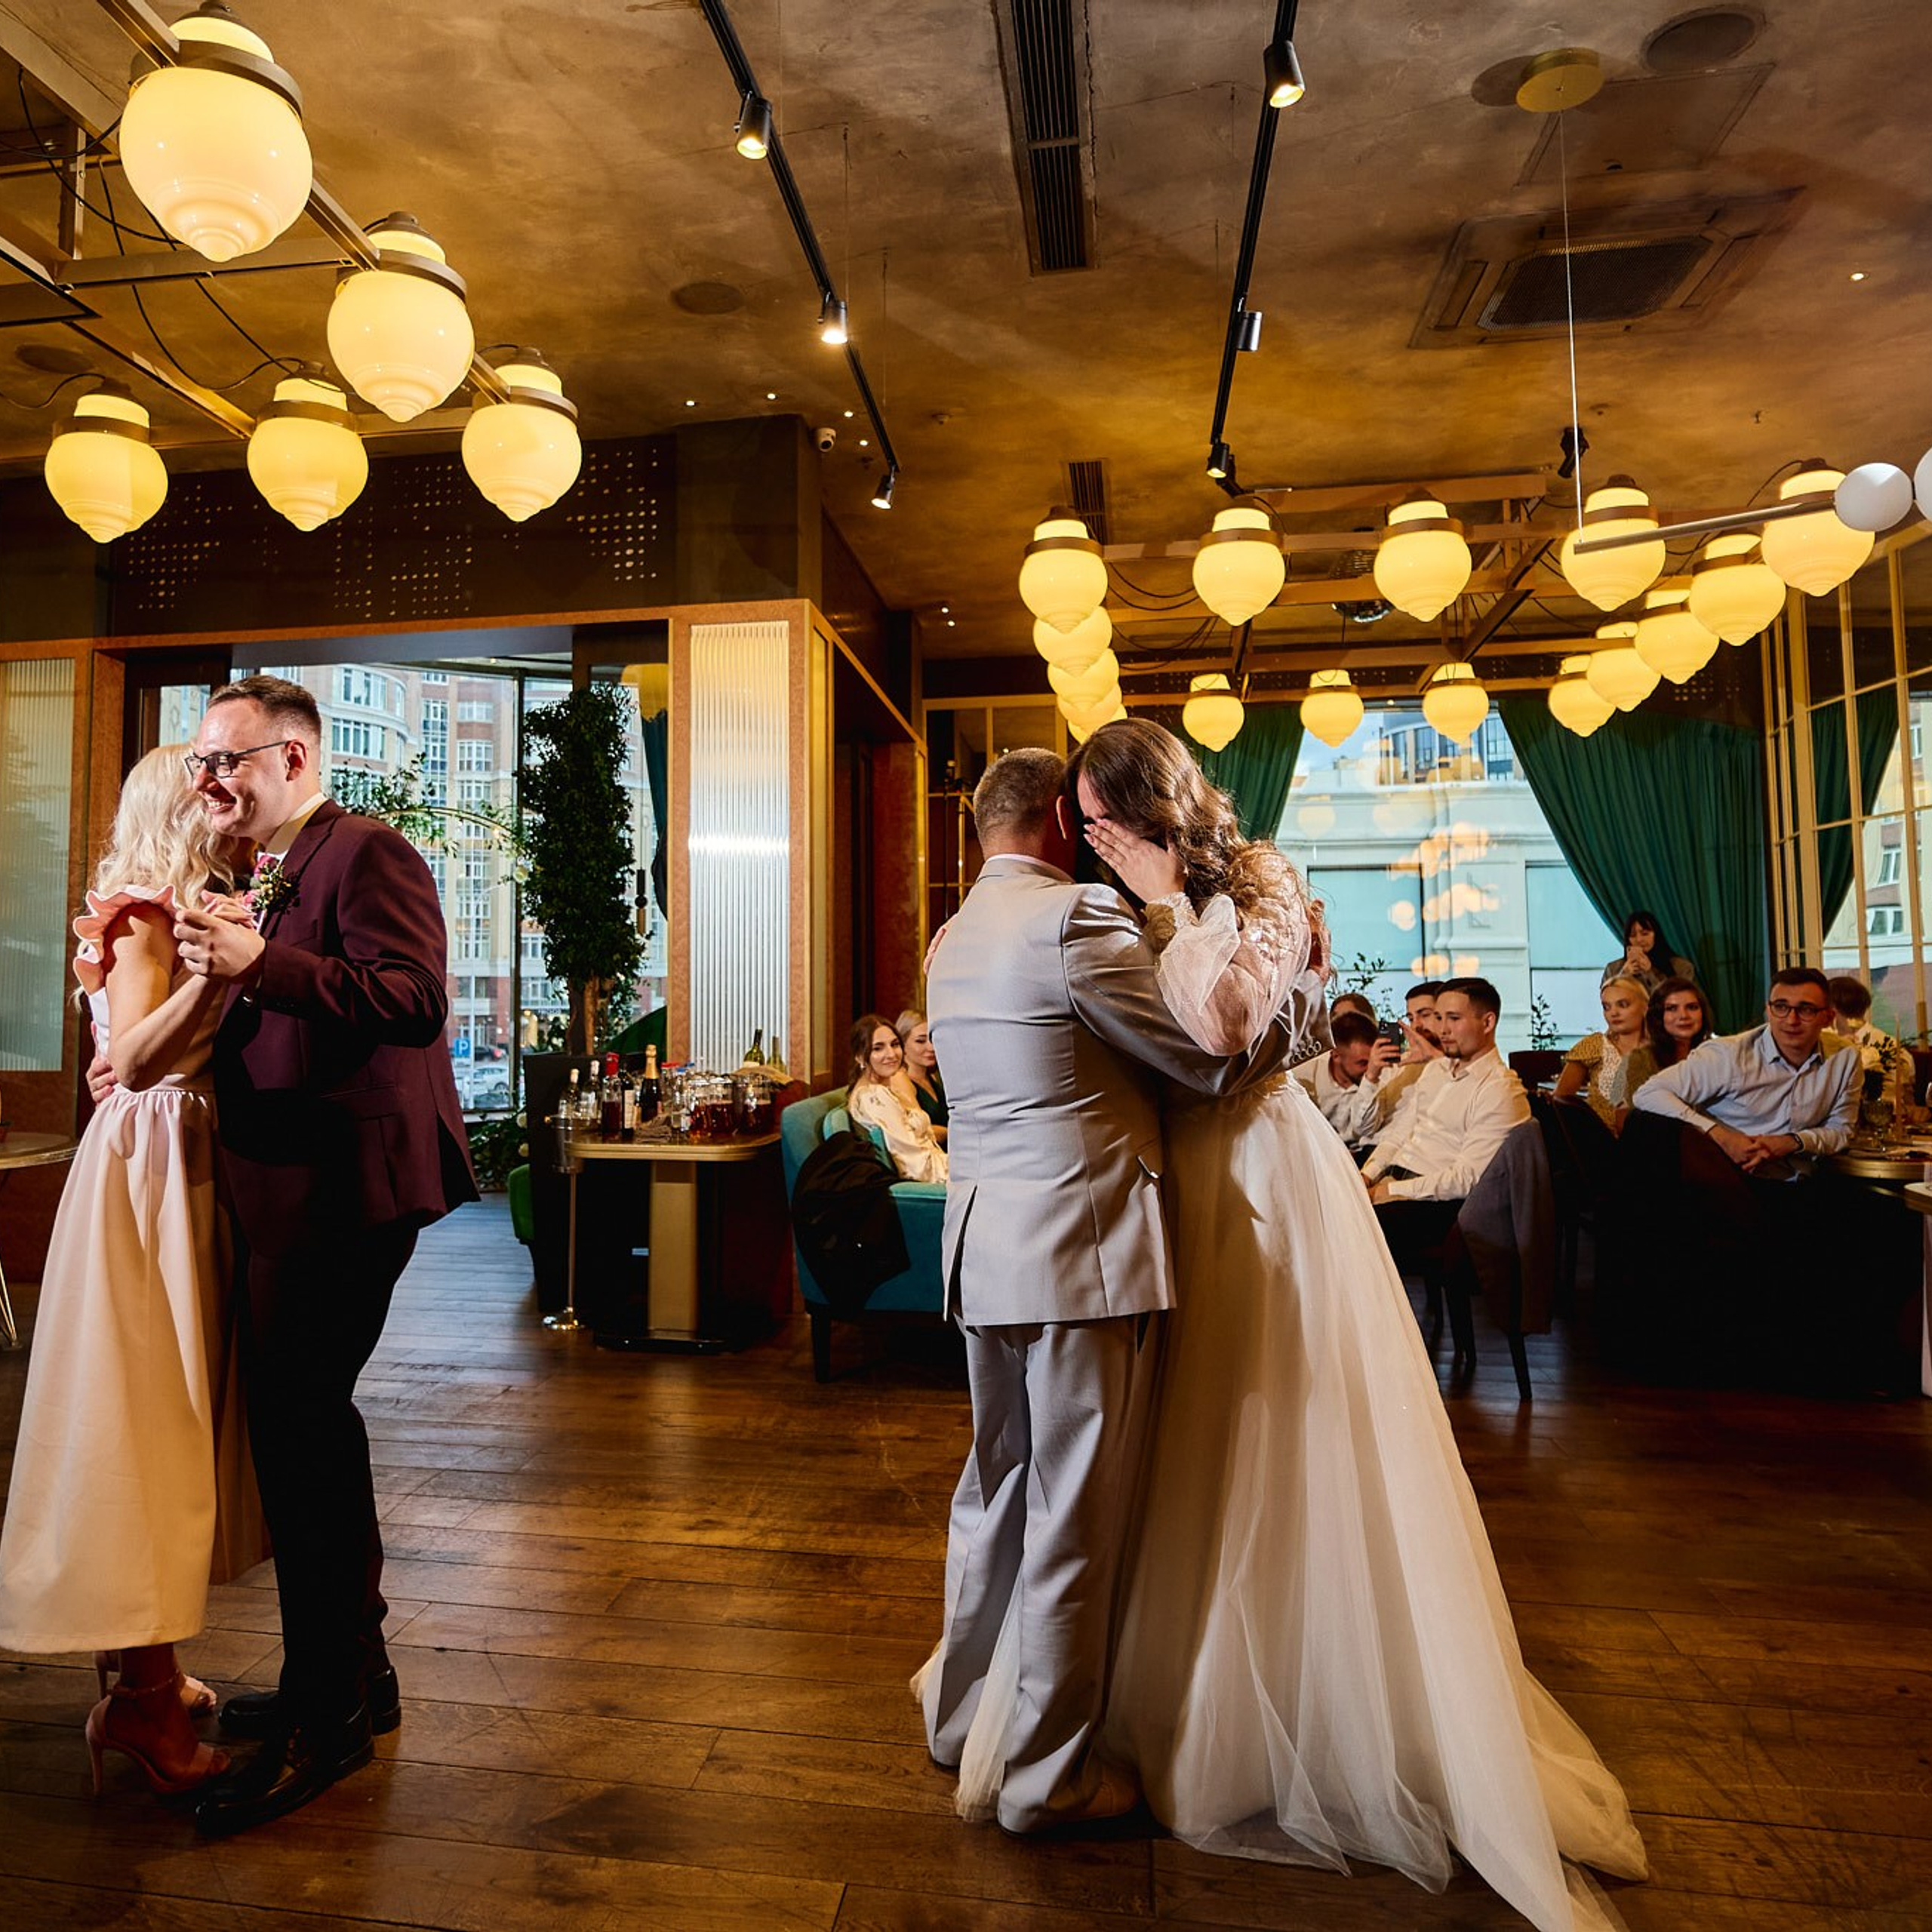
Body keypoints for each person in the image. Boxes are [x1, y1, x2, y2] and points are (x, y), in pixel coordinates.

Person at [967, 719, 1638, 1929]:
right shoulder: (1092, 902)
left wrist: (1183, 907)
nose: (1091, 839)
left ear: (1143, 807)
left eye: (1102, 818)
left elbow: (1235, 1038)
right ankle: (1143, 1691)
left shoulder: (1252, 873)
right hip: (1163, 1192)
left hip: (1259, 1181)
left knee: (1276, 1421)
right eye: (1083, 824)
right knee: (1165, 1449)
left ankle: (1288, 1692)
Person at [917, 745, 1297, 1835]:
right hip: (1081, 1258)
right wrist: (1283, 992)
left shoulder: (951, 938)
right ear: (1053, 819)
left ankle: (959, 1718)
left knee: (993, 1498)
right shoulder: (1074, 921)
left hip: (982, 1252)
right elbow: (1207, 1061)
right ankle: (1045, 1777)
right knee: (1072, 1519)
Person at [162, 675, 478, 1837]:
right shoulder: (258, 870)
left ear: (294, 761)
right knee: (306, 1426)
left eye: (225, 761)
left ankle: (329, 1717)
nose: (208, 782)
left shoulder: (367, 852)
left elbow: (412, 1001)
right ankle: (348, 1679)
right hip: (283, 1178)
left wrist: (259, 963)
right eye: (200, 763)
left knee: (301, 1430)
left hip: (346, 1184)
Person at [0, 747, 263, 1798]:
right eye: (216, 797)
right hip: (159, 1166)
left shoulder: (156, 909)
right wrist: (215, 977)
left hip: (155, 1155)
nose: (233, 811)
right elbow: (145, 1055)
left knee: (138, 1413)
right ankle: (144, 1706)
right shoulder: (154, 915)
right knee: (145, 1417)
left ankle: (141, 1675)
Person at [1631, 968, 1859, 1177]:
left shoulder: (1845, 1058)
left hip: (1809, 1180)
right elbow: (1649, 1093)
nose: (1791, 1020)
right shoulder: (1728, 1054)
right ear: (1768, 1011)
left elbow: (1841, 1130)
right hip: (1730, 1179)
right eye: (1781, 1007)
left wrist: (1794, 1141)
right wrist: (1721, 1136)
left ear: (1828, 1017)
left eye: (1806, 1010)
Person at [1361, 979, 1531, 1207]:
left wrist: (1389, 1190)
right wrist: (1366, 1176)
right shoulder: (1436, 1069)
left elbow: (1466, 1178)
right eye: (1440, 1018)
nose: (1443, 1030)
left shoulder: (1500, 1090)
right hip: (1393, 1181)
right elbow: (1399, 1134)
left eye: (1454, 1018)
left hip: (1433, 1202)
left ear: (1488, 1022)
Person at [848, 1013, 948, 1183]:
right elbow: (916, 1166)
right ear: (860, 1057)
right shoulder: (873, 1097)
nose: (892, 1054)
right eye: (878, 1048)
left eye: (894, 1045)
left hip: (939, 1164)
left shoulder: (885, 1089)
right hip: (929, 1182)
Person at [1293, 1009, 1398, 1152]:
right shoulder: (1303, 1074)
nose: (1369, 1068)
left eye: (1371, 1061)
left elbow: (1365, 1130)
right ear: (1336, 1055)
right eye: (1362, 1063)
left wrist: (1371, 1079)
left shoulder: (1379, 1075)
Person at [1555, 977, 1649, 1129]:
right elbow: (1561, 1100)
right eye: (1607, 1007)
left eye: (1623, 1005)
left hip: (1652, 1139)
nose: (1614, 1013)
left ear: (1645, 1007)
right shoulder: (1595, 1044)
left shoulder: (1661, 1050)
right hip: (1599, 1139)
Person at [1617, 976, 1712, 1106]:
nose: (1684, 1016)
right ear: (1659, 1016)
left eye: (1692, 1007)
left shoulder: (1715, 1055)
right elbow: (1644, 1113)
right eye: (1672, 1009)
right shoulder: (1641, 1060)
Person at [1601, 910, 1694, 995]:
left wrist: (1649, 973)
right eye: (1633, 935)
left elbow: (1677, 1001)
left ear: (1656, 935)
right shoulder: (1612, 969)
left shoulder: (1681, 967)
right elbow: (1608, 1002)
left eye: (1645, 933)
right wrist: (1623, 976)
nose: (1639, 940)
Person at [893, 1006, 948, 1141]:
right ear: (902, 1043)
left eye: (933, 1039)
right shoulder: (900, 1079)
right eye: (920, 1041)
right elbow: (918, 1132)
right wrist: (954, 1133)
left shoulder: (933, 1076)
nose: (931, 1047)